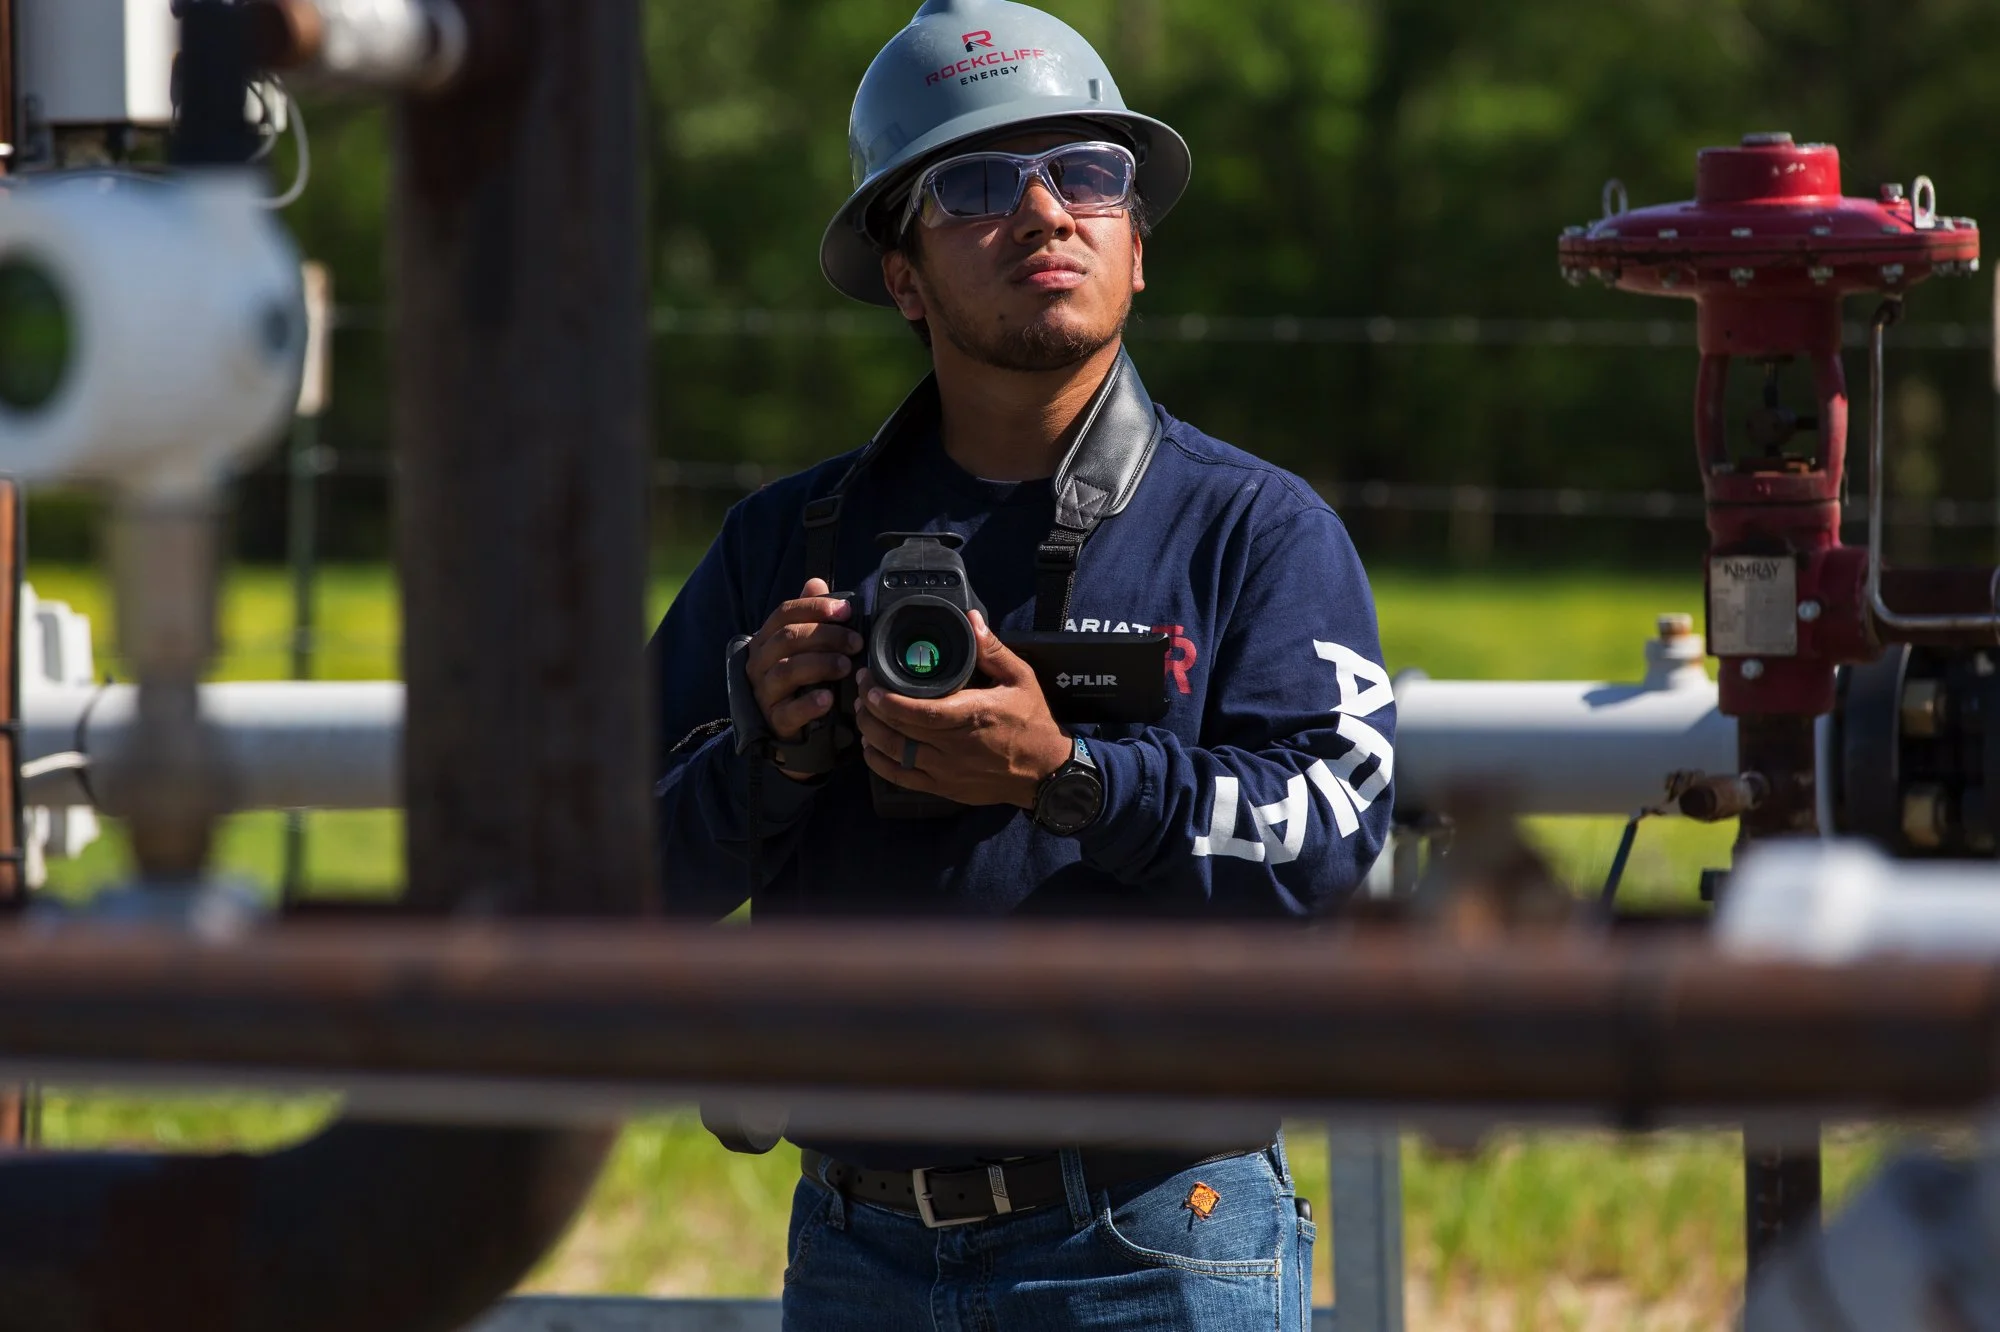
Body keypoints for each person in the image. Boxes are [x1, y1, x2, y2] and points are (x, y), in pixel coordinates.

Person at [648, 1, 1395, 1326]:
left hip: (1162, 1238)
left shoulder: (1256, 531)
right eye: (978, 186)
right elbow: (603, 876)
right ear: (902, 273)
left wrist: (1072, 777)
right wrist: (761, 759)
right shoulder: (784, 549)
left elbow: (1330, 842)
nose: (1048, 211)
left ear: (1137, 244)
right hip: (856, 1241)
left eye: (1090, 174)